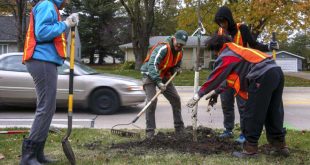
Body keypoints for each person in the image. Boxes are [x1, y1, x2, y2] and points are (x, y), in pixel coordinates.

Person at [187, 34, 289, 158]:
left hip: (261, 76)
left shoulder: (227, 54)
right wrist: (216, 92)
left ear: (217, 48)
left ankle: (250, 150)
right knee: (274, 111)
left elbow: (216, 76)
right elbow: (232, 79)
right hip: (276, 72)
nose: (216, 55)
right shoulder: (239, 51)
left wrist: (198, 95)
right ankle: (280, 146)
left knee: (252, 113)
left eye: (214, 51)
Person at [20, 0, 78, 164]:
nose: (67, 1)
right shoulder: (47, 4)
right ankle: (29, 156)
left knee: (46, 107)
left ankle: (37, 154)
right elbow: (43, 32)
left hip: (44, 60)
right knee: (46, 107)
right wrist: (66, 24)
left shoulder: (50, 7)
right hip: (42, 60)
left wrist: (66, 24)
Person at [213, 6, 279, 143]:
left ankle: (244, 133)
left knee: (243, 105)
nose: (222, 25)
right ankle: (228, 130)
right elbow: (217, 50)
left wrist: (268, 47)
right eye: (219, 22)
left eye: (223, 22)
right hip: (226, 74)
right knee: (226, 103)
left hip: (241, 73)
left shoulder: (241, 29)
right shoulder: (219, 32)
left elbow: (254, 45)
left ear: (229, 19)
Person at [140, 30, 188, 138]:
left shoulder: (180, 52)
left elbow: (175, 65)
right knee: (152, 100)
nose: (179, 45)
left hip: (163, 75)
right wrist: (158, 82)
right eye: (178, 42)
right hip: (149, 74)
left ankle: (179, 128)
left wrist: (177, 69)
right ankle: (150, 131)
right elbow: (152, 65)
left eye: (182, 44)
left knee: (175, 98)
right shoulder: (163, 48)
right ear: (174, 38)